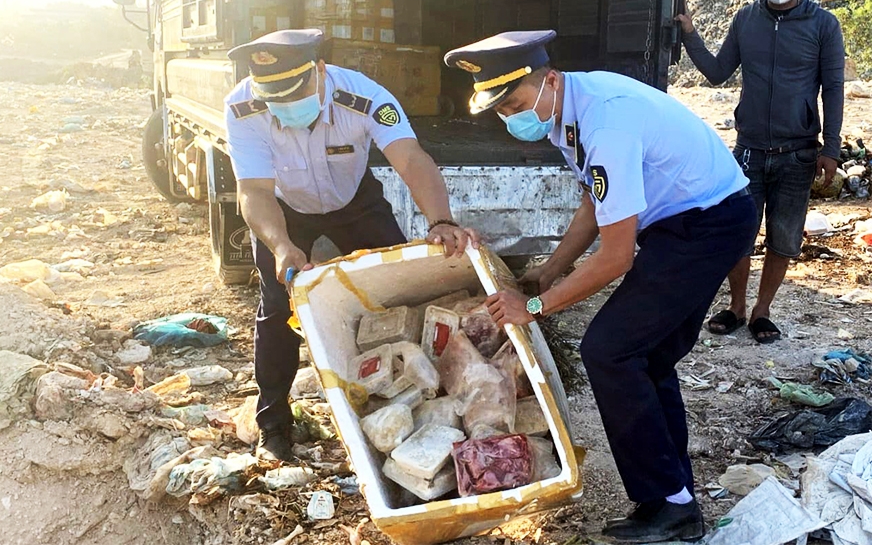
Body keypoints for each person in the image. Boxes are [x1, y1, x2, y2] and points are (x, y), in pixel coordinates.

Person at [445, 31, 755, 543]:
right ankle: (672, 499)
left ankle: (671, 505)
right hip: (686, 221)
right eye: (499, 111)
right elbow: (597, 200)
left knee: (610, 351)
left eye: (515, 103)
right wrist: (551, 268)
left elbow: (616, 256)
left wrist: (536, 305)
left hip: (707, 224)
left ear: (548, 79)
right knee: (646, 356)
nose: (510, 118)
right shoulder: (566, 109)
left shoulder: (605, 121)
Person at [224, 29, 479, 462]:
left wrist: (440, 220)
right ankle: (274, 426)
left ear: (319, 71)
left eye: (291, 90)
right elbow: (253, 191)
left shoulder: (363, 97)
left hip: (354, 200)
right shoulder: (242, 105)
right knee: (277, 308)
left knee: (402, 294)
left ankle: (425, 405)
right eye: (274, 96)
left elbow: (411, 159)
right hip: (284, 209)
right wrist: (281, 243)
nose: (283, 103)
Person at [675, 0, 844, 344]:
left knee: (784, 238)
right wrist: (690, 35)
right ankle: (736, 305)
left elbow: (834, 89)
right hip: (749, 150)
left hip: (799, 152)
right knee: (739, 232)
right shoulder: (746, 19)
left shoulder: (823, 25)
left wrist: (831, 148)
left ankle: (762, 310)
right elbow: (717, 73)